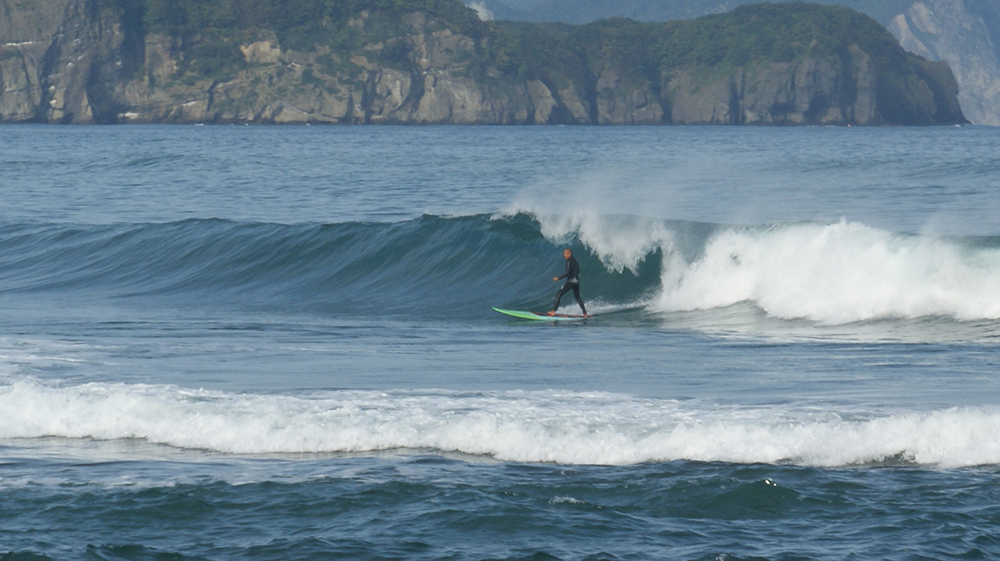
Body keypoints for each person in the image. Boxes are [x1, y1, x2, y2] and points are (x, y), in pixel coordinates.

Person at [549, 248, 588, 317]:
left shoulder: (569, 261)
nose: (564, 255)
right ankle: (585, 313)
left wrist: (558, 278)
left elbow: (567, 272)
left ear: (569, 254)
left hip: (571, 281)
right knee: (577, 297)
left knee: (559, 294)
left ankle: (553, 311)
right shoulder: (575, 260)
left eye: (565, 254)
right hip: (576, 281)